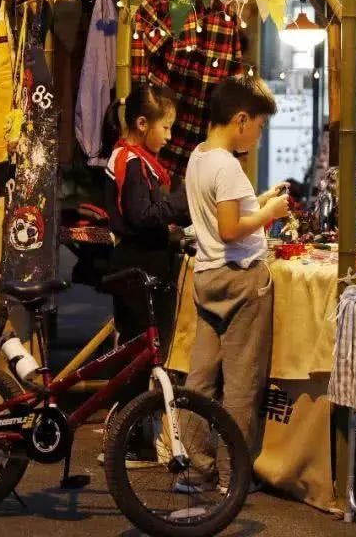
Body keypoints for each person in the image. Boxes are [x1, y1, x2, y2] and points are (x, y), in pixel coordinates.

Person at [176, 74, 289, 493]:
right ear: (241, 120)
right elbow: (229, 228)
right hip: (241, 279)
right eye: (259, 127)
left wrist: (258, 201)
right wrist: (270, 212)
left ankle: (197, 470)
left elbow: (218, 213)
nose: (258, 137)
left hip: (208, 278)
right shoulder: (229, 166)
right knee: (242, 384)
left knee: (200, 378)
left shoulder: (199, 157)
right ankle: (233, 477)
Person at [100, 81, 191, 465]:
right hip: (139, 269)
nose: (169, 137)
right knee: (140, 358)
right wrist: (182, 203)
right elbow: (142, 216)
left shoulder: (133, 158)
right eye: (165, 127)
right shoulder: (132, 161)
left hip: (138, 265)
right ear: (142, 124)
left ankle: (127, 435)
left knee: (134, 355)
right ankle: (130, 442)